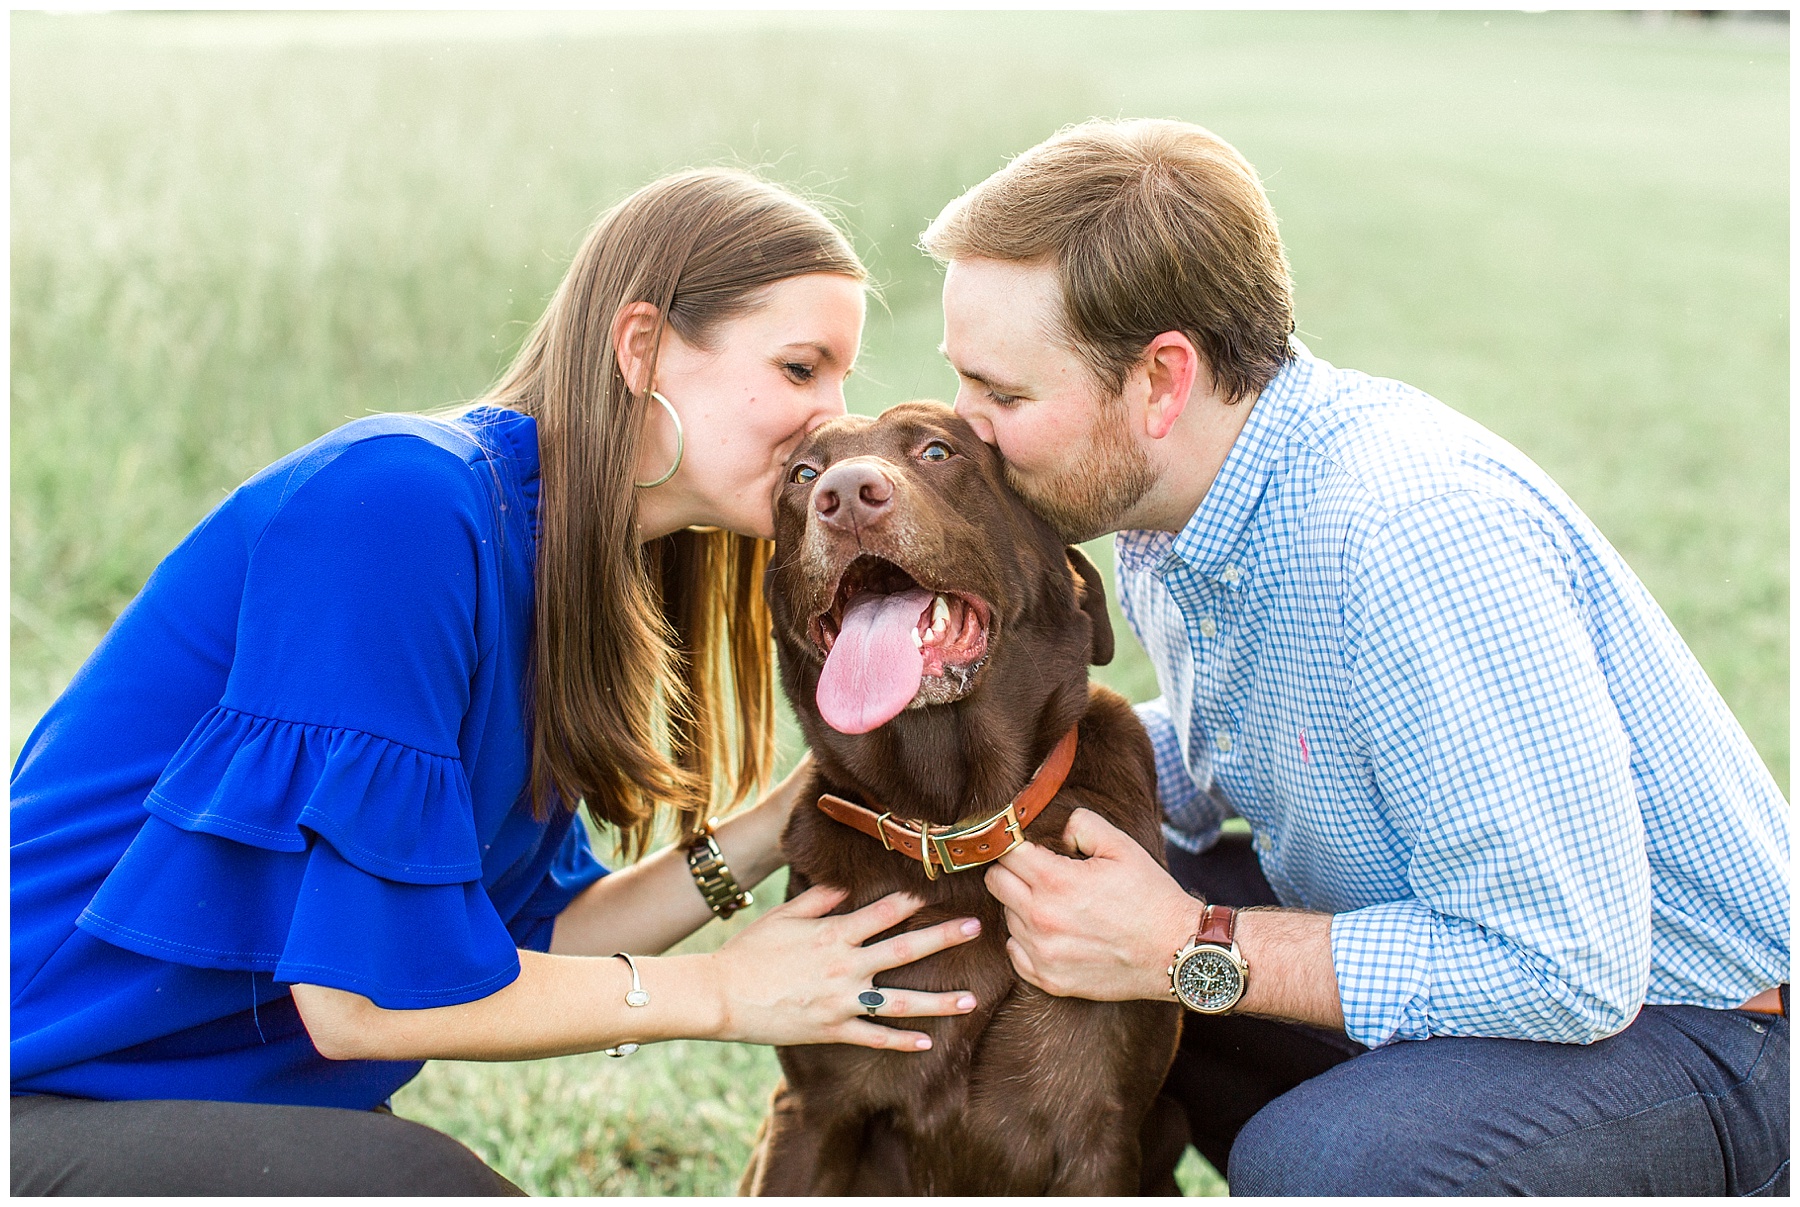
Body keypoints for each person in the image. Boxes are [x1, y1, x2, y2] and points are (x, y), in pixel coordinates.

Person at [10, 168, 985, 1196]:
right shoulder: (400, 505)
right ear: (640, 346)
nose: (830, 421)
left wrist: (791, 812)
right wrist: (726, 992)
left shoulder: (569, 577)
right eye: (799, 368)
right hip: (44, 1099)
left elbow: (522, 940)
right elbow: (361, 1003)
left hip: (211, 1113)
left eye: (841, 380)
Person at [923, 119, 1790, 1195]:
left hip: (1710, 1034)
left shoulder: (1408, 537)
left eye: (1002, 396)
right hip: (1460, 949)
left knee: (1327, 1165)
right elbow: (1226, 749)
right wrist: (970, 784)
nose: (967, 431)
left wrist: (1186, 943)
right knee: (1054, 893)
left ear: (1160, 382)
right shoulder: (1166, 508)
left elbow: (1569, 966)